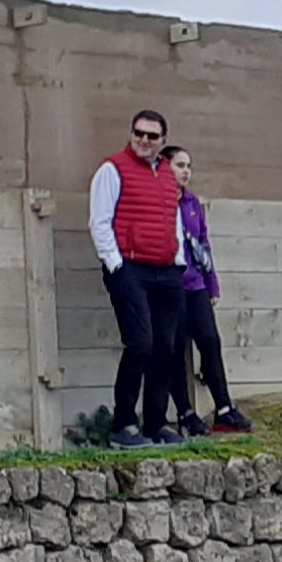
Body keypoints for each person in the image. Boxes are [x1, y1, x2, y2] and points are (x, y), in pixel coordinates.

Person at [86, 106, 188, 446]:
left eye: (152, 135)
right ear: (131, 134)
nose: (144, 140)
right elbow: (99, 221)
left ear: (163, 140)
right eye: (138, 133)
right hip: (130, 269)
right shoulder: (112, 169)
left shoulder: (168, 175)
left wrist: (178, 260)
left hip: (166, 271)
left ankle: (156, 424)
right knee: (141, 344)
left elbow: (173, 218)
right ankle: (124, 425)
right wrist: (115, 264)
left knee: (165, 349)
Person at [159, 143, 250, 437]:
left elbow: (203, 244)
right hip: (169, 285)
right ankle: (185, 413)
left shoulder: (192, 202)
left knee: (210, 341)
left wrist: (212, 284)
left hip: (195, 284)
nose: (186, 171)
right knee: (174, 350)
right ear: (165, 167)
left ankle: (224, 409)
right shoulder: (158, 201)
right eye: (180, 165)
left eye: (189, 166)